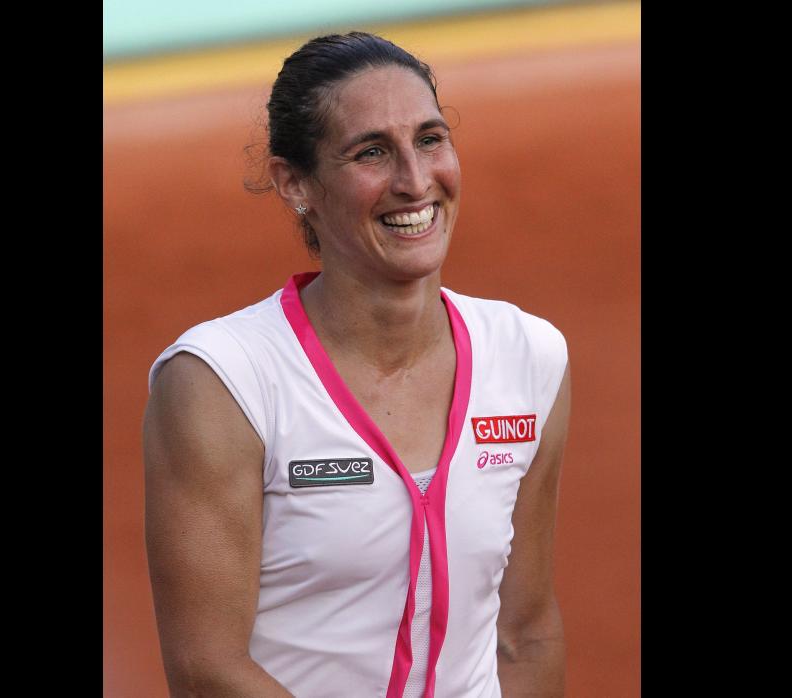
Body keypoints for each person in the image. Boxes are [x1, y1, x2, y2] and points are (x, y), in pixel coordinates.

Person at [143, 31, 571, 698]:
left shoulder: (529, 357)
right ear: (296, 185)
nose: (415, 180)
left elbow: (524, 633)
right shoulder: (220, 382)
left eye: (430, 139)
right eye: (372, 151)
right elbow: (206, 671)